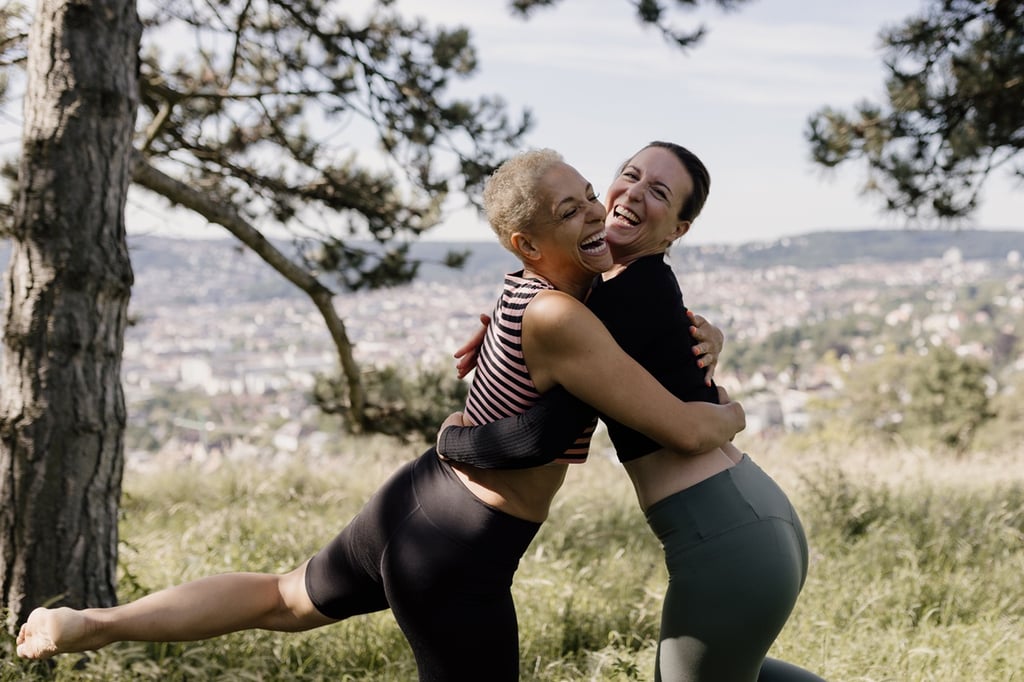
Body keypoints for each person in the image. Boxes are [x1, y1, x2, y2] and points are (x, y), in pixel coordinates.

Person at [16, 149, 746, 681]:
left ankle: (95, 624)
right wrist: (730, 414)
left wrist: (703, 331)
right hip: (462, 550)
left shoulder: (530, 289)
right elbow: (671, 425)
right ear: (528, 244)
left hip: (414, 499)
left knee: (281, 597)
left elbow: (627, 320)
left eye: (590, 193)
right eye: (571, 209)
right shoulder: (564, 316)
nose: (597, 210)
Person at [439, 142, 825, 681]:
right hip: (749, 519)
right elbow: (569, 306)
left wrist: (451, 442)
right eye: (631, 175)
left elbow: (538, 436)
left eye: (660, 192)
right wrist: (511, 326)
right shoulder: (618, 290)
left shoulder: (615, 305)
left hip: (723, 536)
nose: (635, 194)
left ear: (676, 231)